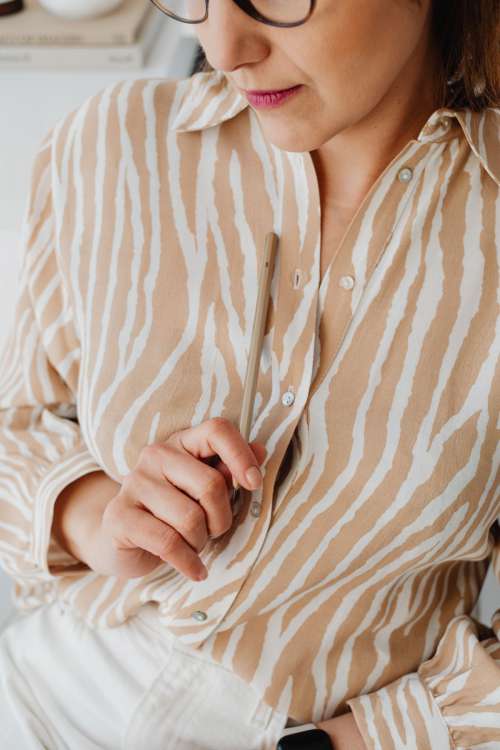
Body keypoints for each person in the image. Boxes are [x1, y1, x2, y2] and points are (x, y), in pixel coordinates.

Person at [0, 0, 498, 747]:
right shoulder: (113, 144)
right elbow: (17, 424)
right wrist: (100, 513)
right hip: (41, 694)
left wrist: (337, 743)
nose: (224, 47)